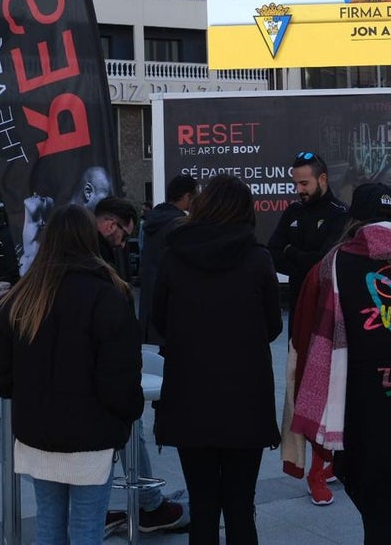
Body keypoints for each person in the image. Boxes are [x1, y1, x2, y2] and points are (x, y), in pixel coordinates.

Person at [292, 182, 391, 545]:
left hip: (364, 415)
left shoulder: (335, 263)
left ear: (354, 219)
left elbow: (306, 339)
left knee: (377, 523)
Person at [0, 205, 143, 545]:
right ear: (89, 238)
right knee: (87, 528)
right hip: (93, 436)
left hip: (37, 433)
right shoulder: (109, 294)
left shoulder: (24, 295)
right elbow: (120, 376)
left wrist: (19, 392)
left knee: (49, 526)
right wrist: (127, 416)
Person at [153, 174, 282, 545]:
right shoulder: (258, 259)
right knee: (241, 507)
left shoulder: (174, 256)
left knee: (203, 505)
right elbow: (272, 326)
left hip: (189, 398)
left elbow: (159, 321)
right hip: (246, 400)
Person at [94, 195, 188, 534]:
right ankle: (149, 505)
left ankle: (144, 502)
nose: (123, 242)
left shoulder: (90, 255)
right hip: (106, 367)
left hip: (98, 367)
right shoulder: (96, 262)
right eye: (122, 234)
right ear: (108, 224)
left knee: (125, 435)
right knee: (129, 429)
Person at [268, 151, 347, 504]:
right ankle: (313, 468)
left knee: (331, 393)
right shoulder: (293, 213)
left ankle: (325, 467)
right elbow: (273, 251)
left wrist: (297, 256)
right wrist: (309, 258)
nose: (298, 189)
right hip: (298, 316)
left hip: (331, 318)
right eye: (295, 182)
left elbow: (329, 260)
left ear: (322, 179)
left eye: (304, 182)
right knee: (301, 392)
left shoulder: (341, 216)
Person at [138, 174, 198, 346]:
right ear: (188, 197)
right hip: (171, 310)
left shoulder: (153, 221)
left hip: (150, 307)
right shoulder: (179, 225)